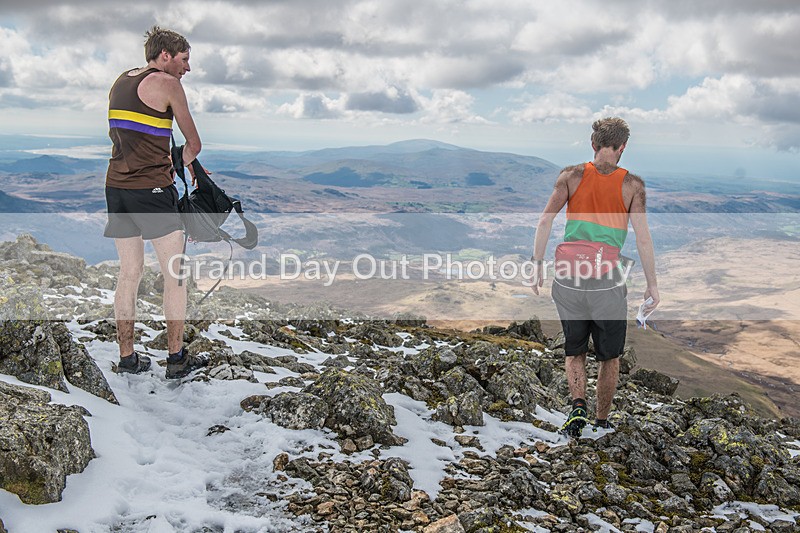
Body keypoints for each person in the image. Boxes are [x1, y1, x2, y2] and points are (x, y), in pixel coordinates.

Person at [529, 117, 659, 437]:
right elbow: (643, 239)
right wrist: (652, 285)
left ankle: (578, 406)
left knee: (575, 349)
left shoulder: (570, 176)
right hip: (607, 281)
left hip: (568, 277)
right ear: (622, 147)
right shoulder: (632, 186)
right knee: (609, 356)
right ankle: (600, 421)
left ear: (593, 144)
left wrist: (537, 264)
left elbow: (545, 221)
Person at [104, 26, 209, 379]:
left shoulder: (121, 81)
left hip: (116, 186)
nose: (187, 68)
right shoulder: (168, 84)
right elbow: (194, 143)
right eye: (184, 59)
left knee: (129, 272)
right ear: (165, 55)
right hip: (151, 191)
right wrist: (184, 162)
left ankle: (127, 358)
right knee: (174, 275)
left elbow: (134, 134)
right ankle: (177, 360)